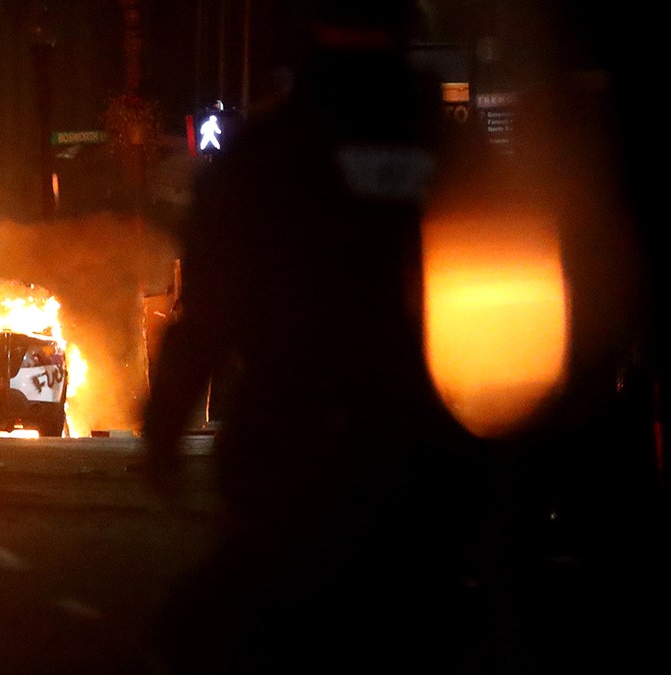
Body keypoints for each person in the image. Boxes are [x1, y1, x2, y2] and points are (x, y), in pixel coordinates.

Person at [142, 2, 489, 672]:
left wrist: (163, 429)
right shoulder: (457, 156)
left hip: (295, 446)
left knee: (211, 631)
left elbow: (210, 311)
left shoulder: (266, 156)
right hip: (426, 448)